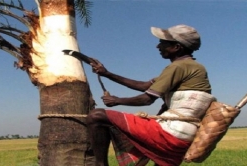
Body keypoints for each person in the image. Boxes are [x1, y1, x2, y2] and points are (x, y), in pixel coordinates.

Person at [86, 24, 216, 166]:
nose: (158, 46)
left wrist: (118, 100)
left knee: (96, 116)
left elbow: (147, 99)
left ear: (176, 47)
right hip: (184, 136)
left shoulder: (178, 67)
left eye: (163, 42)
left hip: (171, 134)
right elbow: (144, 86)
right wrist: (107, 74)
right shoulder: (191, 66)